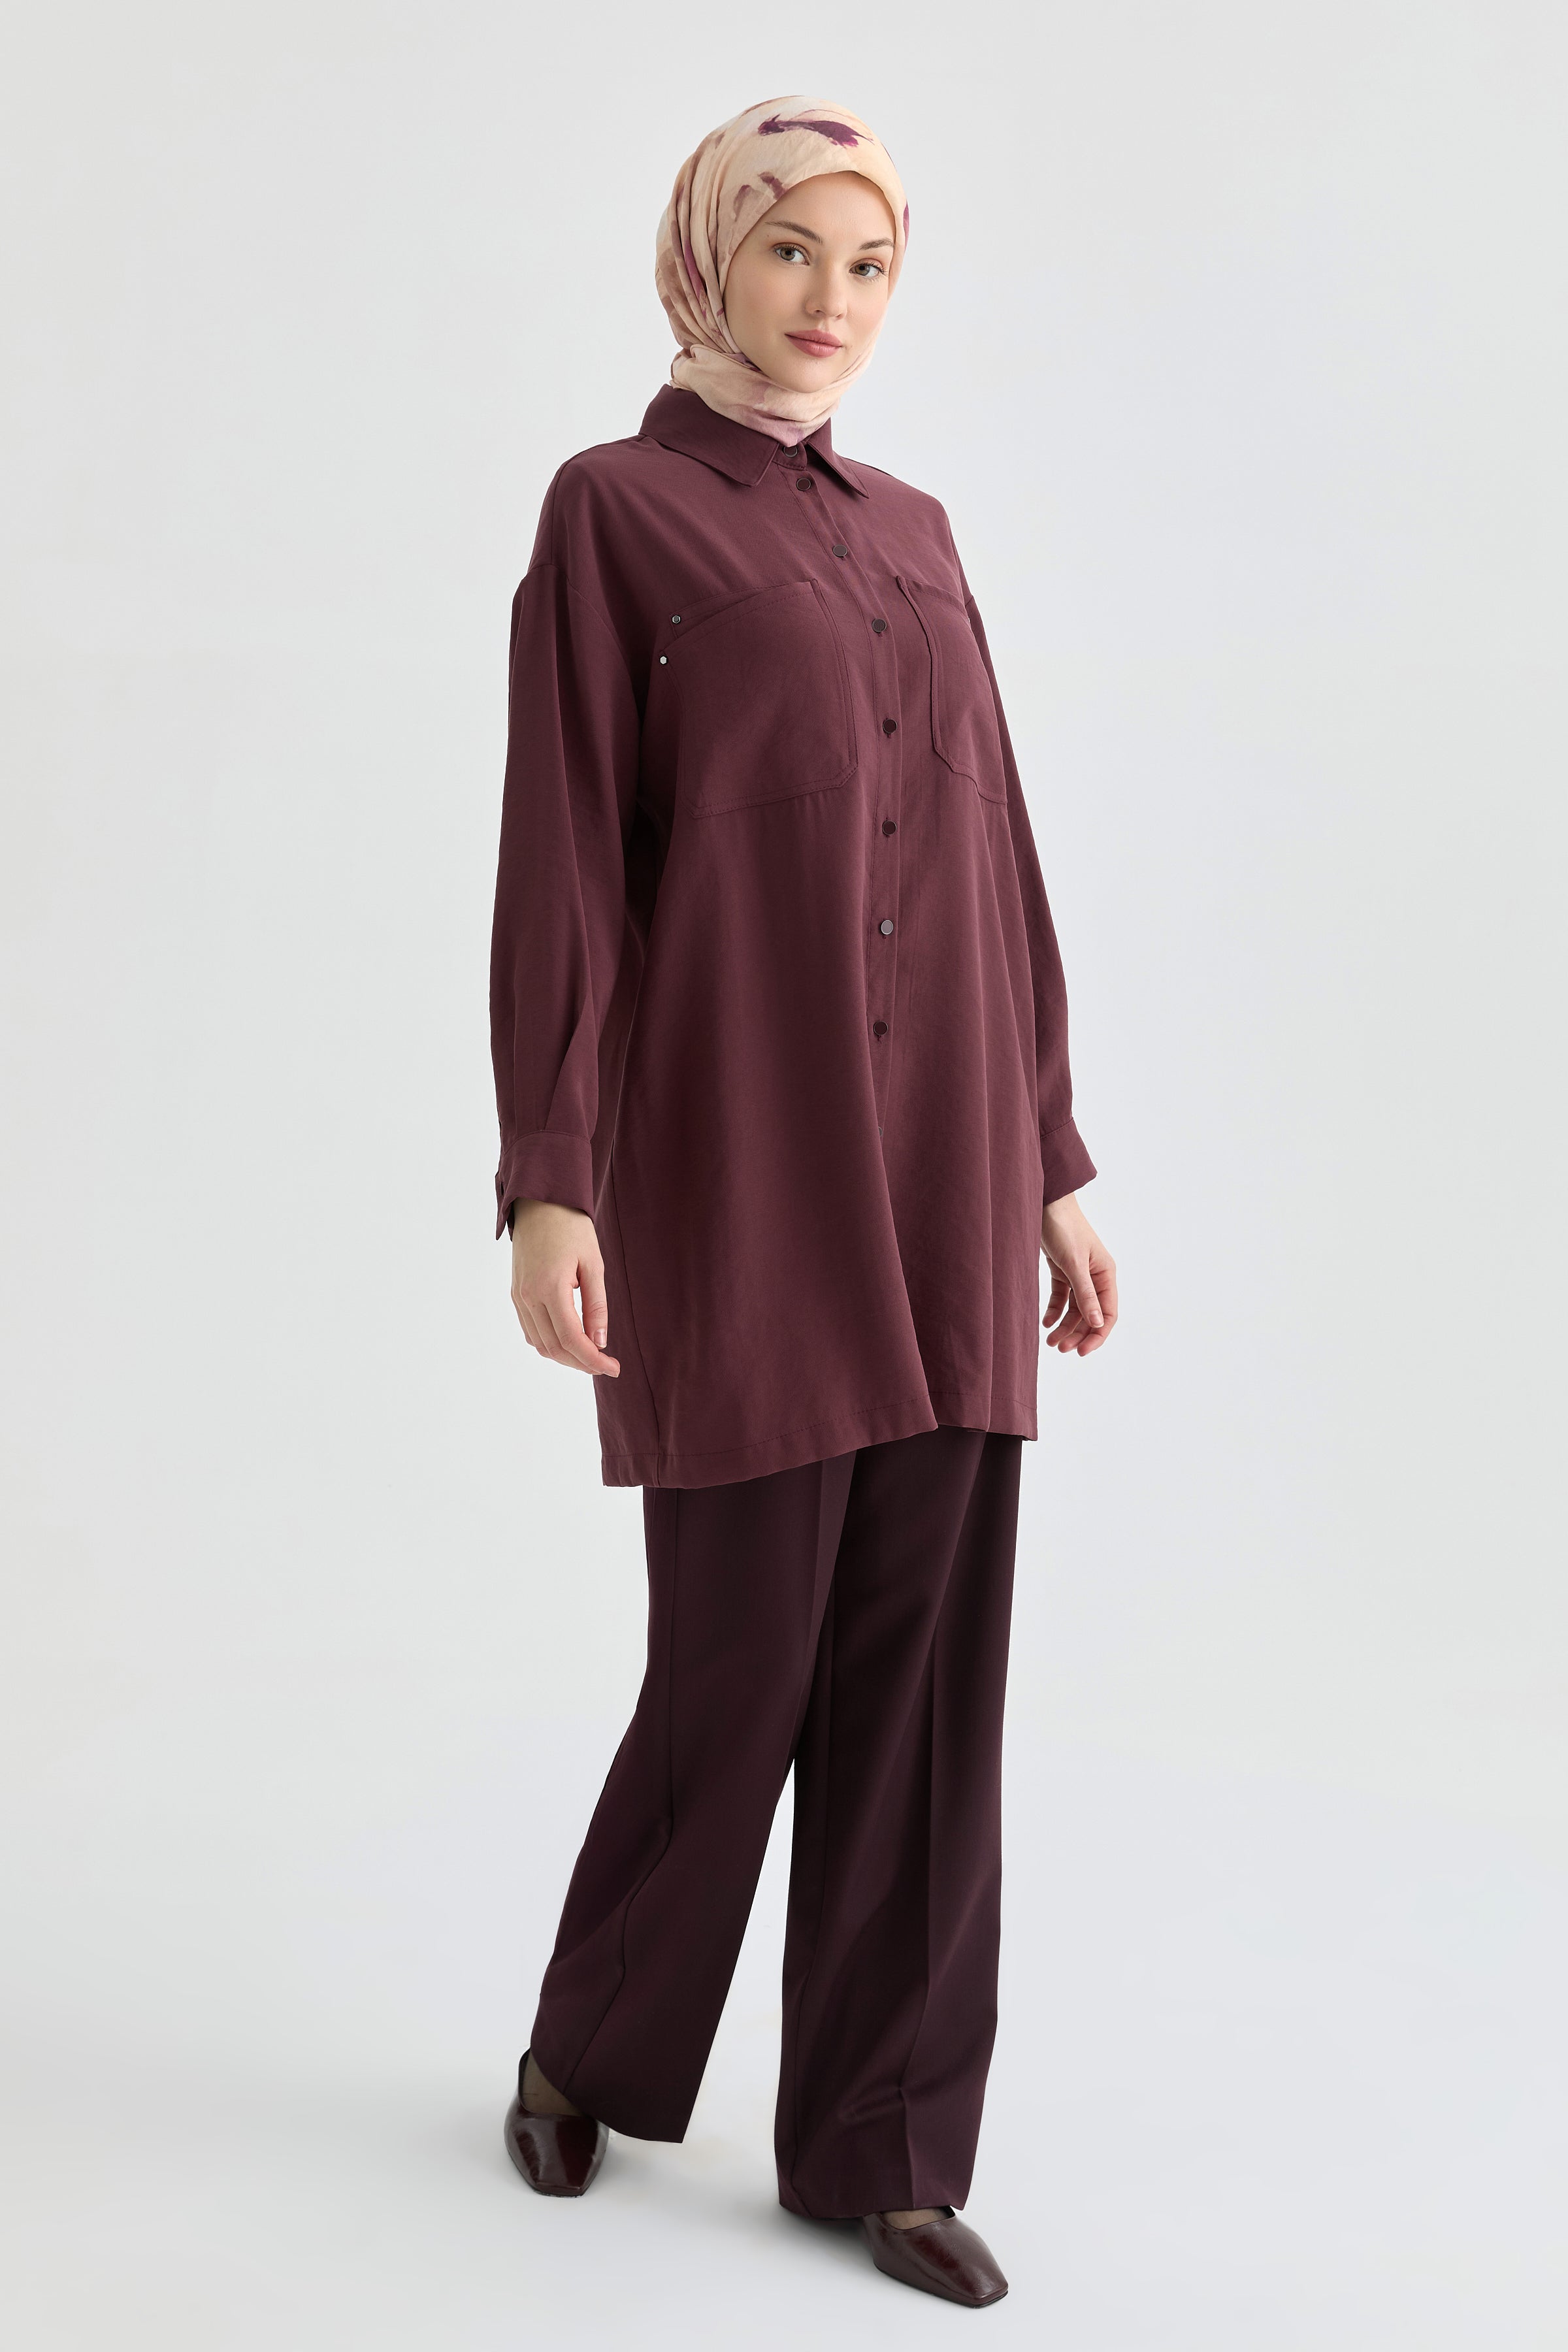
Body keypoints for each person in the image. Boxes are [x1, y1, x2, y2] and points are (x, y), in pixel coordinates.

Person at [488, 95, 1117, 2309]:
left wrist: (1050, 1159)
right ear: (708, 259)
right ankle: (591, 2046)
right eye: (790, 253)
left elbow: (994, 855)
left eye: (870, 264)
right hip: (742, 1165)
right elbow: (569, 855)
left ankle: (887, 2148)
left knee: (925, 1687)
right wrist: (551, 1183)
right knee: (738, 1660)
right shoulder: (617, 513)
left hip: (947, 1174)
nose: (831, 301)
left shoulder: (919, 534)